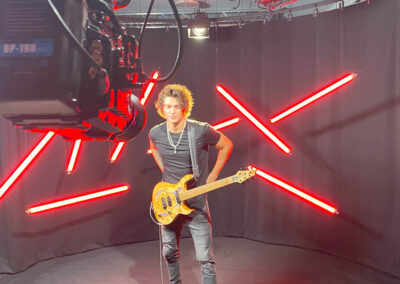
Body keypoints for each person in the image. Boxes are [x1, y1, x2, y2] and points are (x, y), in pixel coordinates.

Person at [149, 84, 233, 284]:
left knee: (205, 259)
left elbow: (226, 145)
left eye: (176, 106)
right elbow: (153, 149)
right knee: (169, 252)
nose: (172, 111)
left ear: (184, 107)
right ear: (161, 108)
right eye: (168, 106)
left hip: (195, 203)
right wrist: (165, 170)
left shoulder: (200, 130)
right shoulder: (156, 133)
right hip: (168, 202)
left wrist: (213, 174)